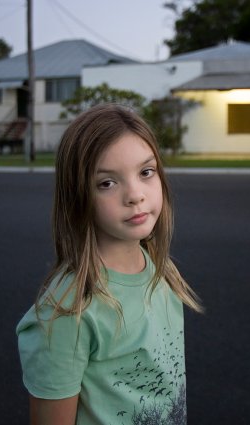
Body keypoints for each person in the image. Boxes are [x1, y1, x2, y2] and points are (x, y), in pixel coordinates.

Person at [16, 103, 202, 425]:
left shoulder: (162, 269)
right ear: (78, 197)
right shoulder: (68, 310)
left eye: (146, 172)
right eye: (107, 183)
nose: (135, 195)